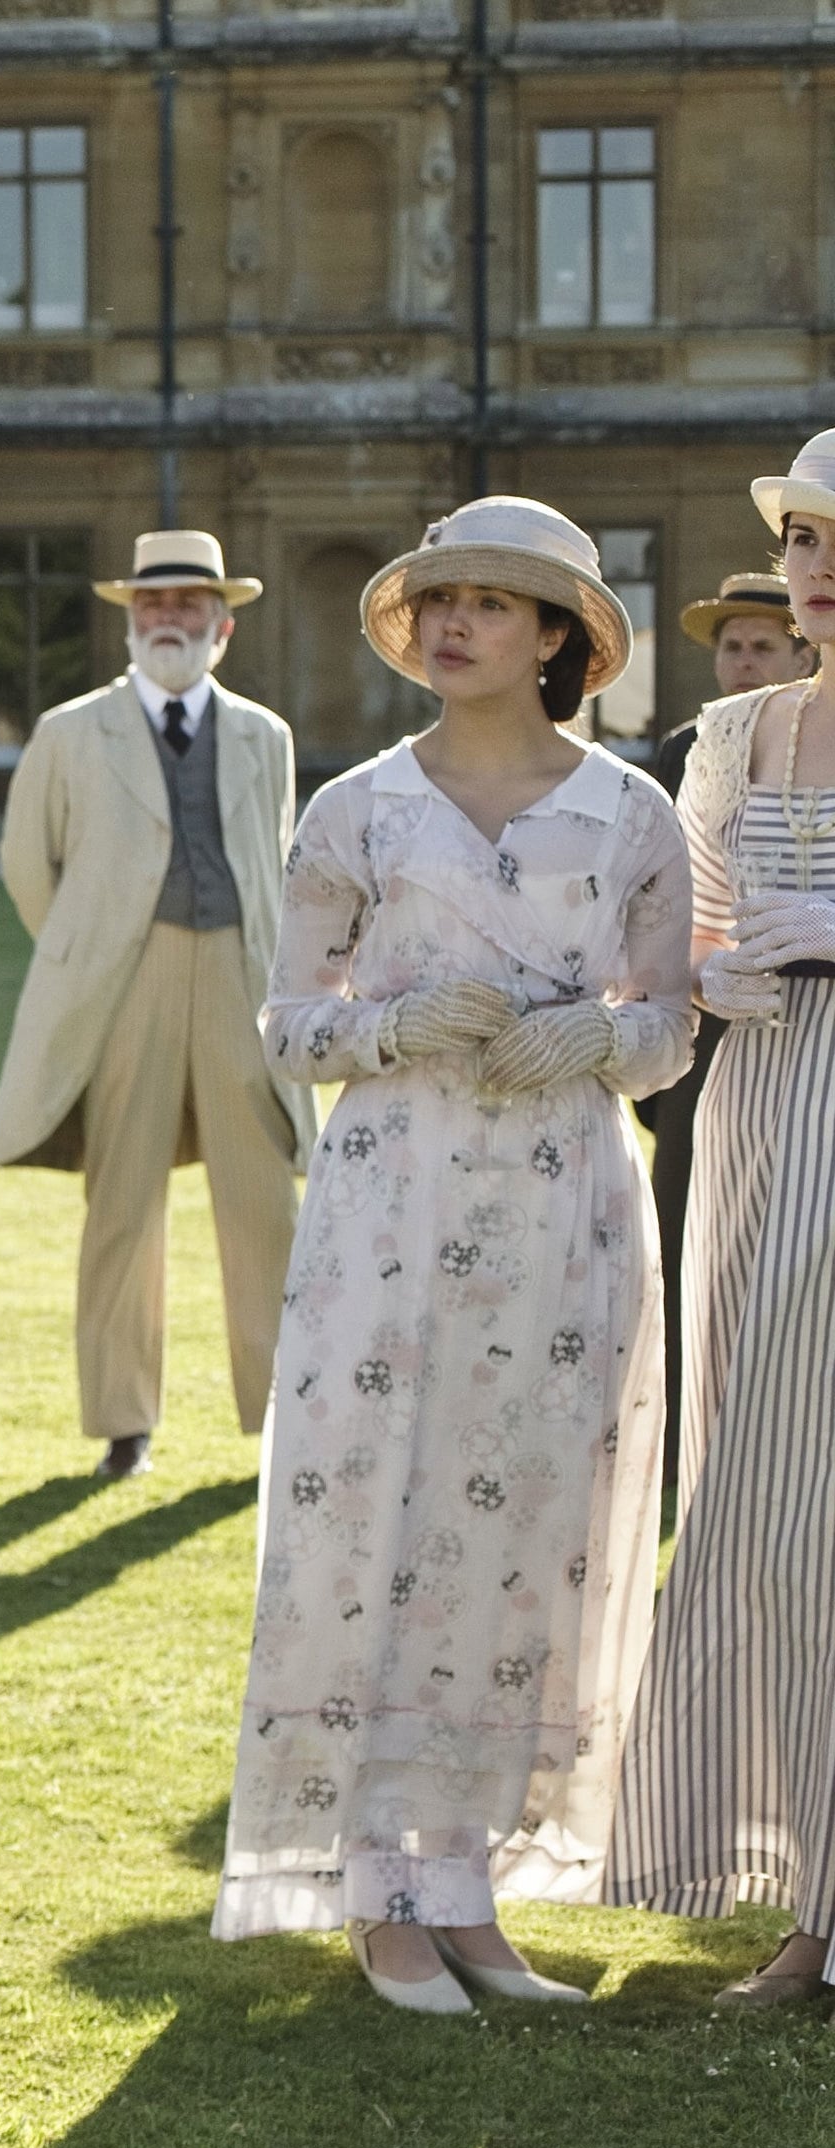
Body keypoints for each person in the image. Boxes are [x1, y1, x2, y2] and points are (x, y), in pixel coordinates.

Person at [215, 496, 684, 2014]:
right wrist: (392, 1027)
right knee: (377, 1518)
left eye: (490, 602)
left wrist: (594, 1040)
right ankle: (379, 1892)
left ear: (557, 638)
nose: (454, 623)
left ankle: (467, 1888)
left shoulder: (631, 813)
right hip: (390, 1206)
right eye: (438, 600)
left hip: (564, 1208)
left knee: (529, 1526)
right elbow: (289, 1025)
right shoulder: (355, 809)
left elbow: (669, 1025)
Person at [615, 435, 835, 2009]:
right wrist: (713, 968)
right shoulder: (740, 730)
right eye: (805, 540)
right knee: (758, 1507)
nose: (820, 569)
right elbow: (676, 938)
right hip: (754, 1115)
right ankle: (809, 1886)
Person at [0, 530, 312, 1480]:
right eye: (153, 605)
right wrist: (89, 952)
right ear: (130, 622)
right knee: (122, 1204)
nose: (169, 619)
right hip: (125, 985)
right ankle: (124, 1422)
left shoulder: (265, 735)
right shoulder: (69, 732)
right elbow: (27, 864)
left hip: (242, 980)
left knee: (264, 1206)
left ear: (222, 626)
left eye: (188, 605)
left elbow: (275, 860)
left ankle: (284, 1417)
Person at [630, 568, 810, 1440]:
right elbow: (664, 897)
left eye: (760, 646)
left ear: (799, 652)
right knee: (684, 1227)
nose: (742, 661)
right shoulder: (687, 749)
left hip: (809, 1025)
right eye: (730, 647)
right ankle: (677, 1420)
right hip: (714, 1037)